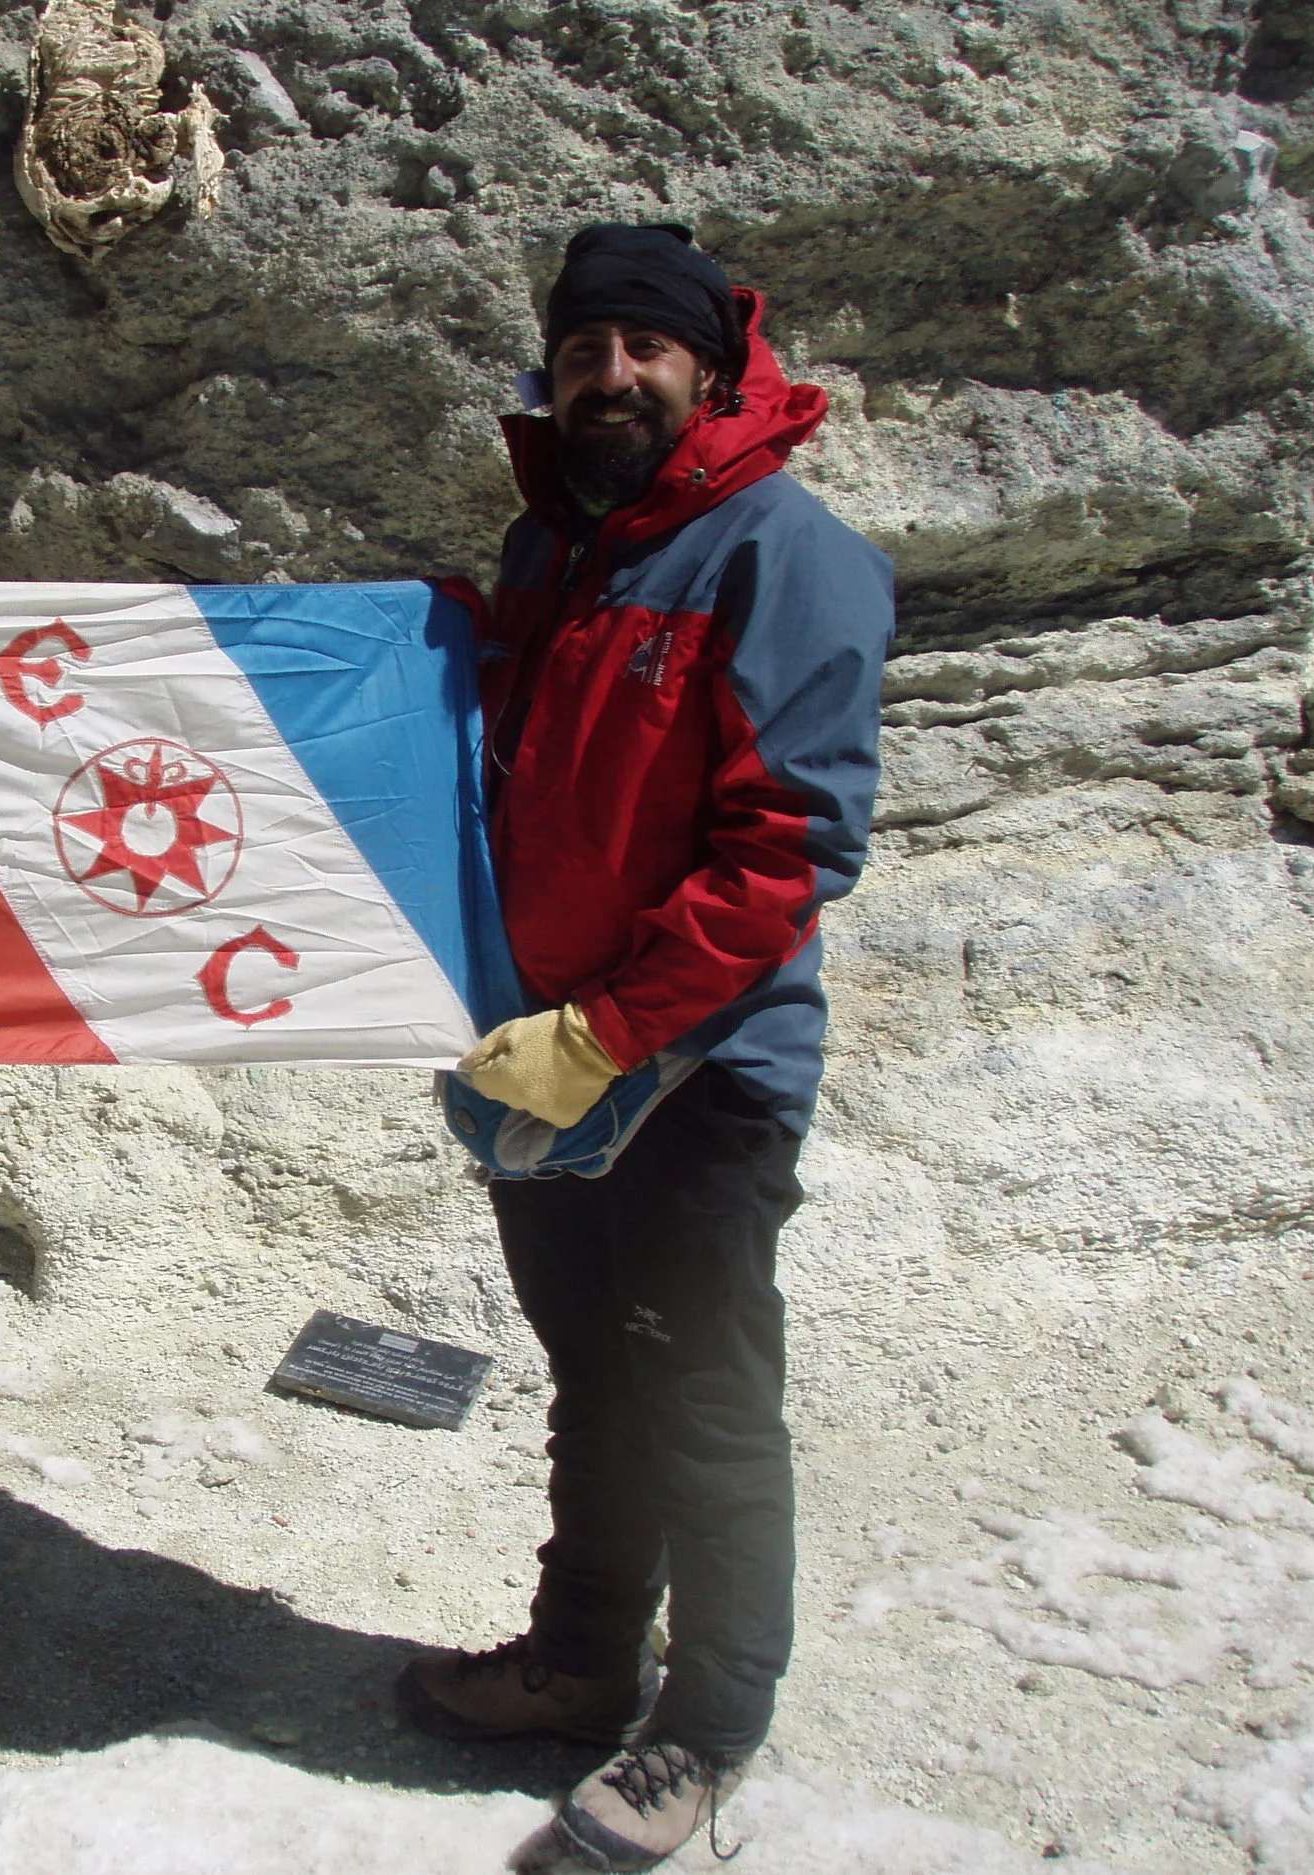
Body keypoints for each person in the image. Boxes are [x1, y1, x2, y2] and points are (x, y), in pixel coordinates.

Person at [401, 225, 894, 1871]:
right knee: (594, 1372)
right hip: (543, 1054)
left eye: (643, 351)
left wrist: (609, 1032)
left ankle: (708, 1723)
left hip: (695, 1070)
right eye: (581, 351)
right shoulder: (558, 550)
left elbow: (787, 849)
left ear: (709, 366)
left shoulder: (780, 552)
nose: (608, 378)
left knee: (703, 1396)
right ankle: (583, 1658)